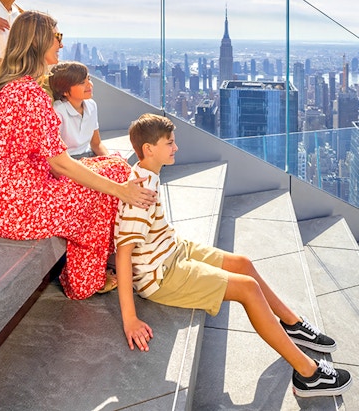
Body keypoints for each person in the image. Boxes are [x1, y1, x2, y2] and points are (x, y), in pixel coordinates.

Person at [114, 113, 352, 399]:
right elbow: (124, 252)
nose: (176, 148)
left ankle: (292, 324)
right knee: (247, 289)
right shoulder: (141, 194)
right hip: (161, 276)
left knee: (243, 264)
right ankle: (309, 375)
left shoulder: (148, 173)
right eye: (170, 143)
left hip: (173, 249)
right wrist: (129, 317)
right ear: (149, 149)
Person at [0, 11, 156, 300]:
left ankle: (105, 263)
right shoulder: (30, 94)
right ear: (38, 42)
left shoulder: (15, 89)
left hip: (15, 203)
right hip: (25, 209)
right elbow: (59, 163)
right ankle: (88, 277)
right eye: (56, 37)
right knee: (115, 179)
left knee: (113, 167)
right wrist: (121, 191)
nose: (61, 44)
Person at [49, 61, 109, 158]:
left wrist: (111, 160)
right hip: (68, 161)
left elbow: (96, 144)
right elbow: (56, 156)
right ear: (64, 91)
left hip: (88, 157)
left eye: (89, 79)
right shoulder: (57, 112)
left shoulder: (91, 105)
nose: (90, 85)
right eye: (82, 82)